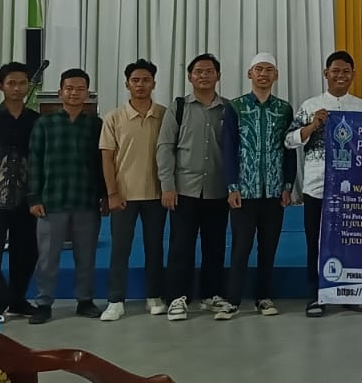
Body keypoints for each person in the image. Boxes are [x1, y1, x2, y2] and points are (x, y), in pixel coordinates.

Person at [287, 51, 362, 317]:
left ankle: (349, 293)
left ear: (353, 75)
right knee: (316, 242)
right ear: (326, 73)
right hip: (317, 186)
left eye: (346, 71)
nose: (340, 76)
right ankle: (316, 295)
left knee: (350, 241)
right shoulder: (310, 105)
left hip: (351, 188)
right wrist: (313, 125)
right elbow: (289, 140)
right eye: (335, 71)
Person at [219, 53, 296, 320]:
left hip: (274, 191)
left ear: (276, 75)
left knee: (268, 246)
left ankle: (263, 297)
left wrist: (288, 185)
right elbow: (229, 149)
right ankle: (232, 300)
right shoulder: (236, 107)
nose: (264, 74)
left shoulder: (284, 109)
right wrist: (232, 186)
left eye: (269, 69)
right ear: (249, 74)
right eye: (259, 69)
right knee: (241, 247)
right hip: (245, 190)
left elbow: (289, 149)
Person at [156, 53, 232, 322]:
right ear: (190, 76)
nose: (204, 76)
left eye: (209, 71)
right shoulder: (178, 107)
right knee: (181, 247)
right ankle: (177, 297)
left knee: (215, 246)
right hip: (184, 190)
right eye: (198, 71)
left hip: (218, 190)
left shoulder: (229, 109)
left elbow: (234, 150)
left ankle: (211, 295)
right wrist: (167, 185)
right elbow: (165, 147)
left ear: (218, 76)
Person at [28, 68, 106, 325]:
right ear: (60, 92)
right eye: (69, 88)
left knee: (86, 256)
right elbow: (34, 162)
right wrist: (34, 197)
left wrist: (105, 195)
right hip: (51, 201)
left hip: (86, 200)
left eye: (80, 89)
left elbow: (103, 164)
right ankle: (43, 302)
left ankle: (85, 300)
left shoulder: (96, 125)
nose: (74, 93)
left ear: (87, 93)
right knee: (47, 257)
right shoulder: (45, 124)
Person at [98, 59, 168, 322]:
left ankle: (154, 296)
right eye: (135, 80)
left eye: (146, 80)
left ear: (154, 83)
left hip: (156, 194)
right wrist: (112, 193)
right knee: (120, 250)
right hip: (124, 196)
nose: (141, 85)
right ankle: (115, 300)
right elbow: (107, 158)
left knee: (154, 248)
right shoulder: (114, 117)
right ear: (127, 84)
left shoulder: (164, 115)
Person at [0, 62, 40, 320]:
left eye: (22, 83)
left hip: (26, 200)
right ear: (1, 86)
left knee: (26, 252)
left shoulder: (36, 121)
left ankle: (17, 299)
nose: (17, 88)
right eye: (11, 83)